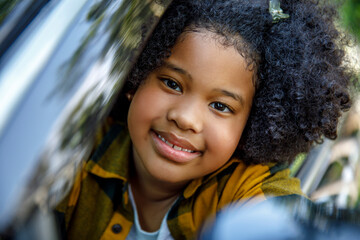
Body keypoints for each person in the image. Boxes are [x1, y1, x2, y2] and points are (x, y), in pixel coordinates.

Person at [55, 0, 355, 239]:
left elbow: (285, 216)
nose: (186, 119)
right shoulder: (70, 151)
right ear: (136, 75)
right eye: (172, 83)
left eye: (220, 106)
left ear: (251, 124)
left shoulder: (243, 190)